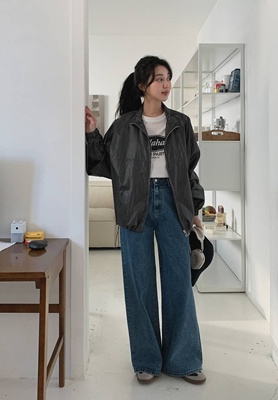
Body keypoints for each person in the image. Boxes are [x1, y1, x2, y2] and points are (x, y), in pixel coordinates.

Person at [85, 56, 206, 385]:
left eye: (168, 78)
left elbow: (188, 170)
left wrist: (195, 208)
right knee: (139, 284)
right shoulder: (124, 126)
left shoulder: (180, 123)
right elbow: (103, 164)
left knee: (179, 282)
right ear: (143, 85)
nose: (166, 84)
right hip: (134, 204)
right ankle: (147, 360)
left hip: (173, 202)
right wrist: (92, 133)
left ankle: (184, 360)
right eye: (158, 79)